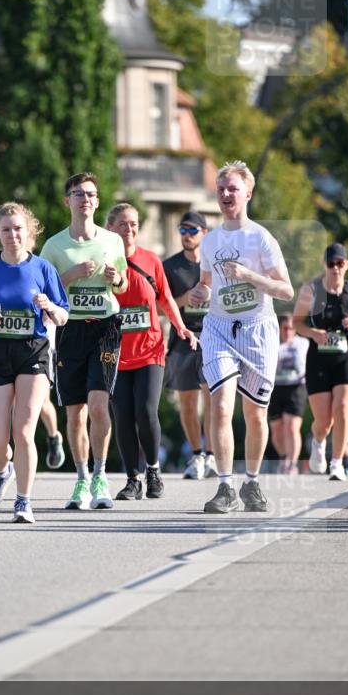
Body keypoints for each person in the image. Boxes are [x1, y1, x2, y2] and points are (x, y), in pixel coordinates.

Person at [187, 161, 293, 514]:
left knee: (255, 414)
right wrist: (200, 293)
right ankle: (225, 487)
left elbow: (286, 290)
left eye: (233, 188)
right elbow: (205, 283)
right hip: (218, 328)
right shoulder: (212, 239)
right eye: (221, 189)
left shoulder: (261, 238)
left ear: (248, 193)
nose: (226, 194)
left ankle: (251, 481)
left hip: (257, 331)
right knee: (219, 404)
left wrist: (250, 276)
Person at [0, 203, 68, 524]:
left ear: (29, 232)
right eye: (6, 229)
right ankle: (2, 470)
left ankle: (23, 501)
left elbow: (64, 315)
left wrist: (50, 306)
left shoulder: (43, 269)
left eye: (18, 229)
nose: (13, 235)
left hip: (34, 350)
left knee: (23, 430)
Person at [40, 172, 128, 510]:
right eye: (78, 193)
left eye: (91, 193)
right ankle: (80, 480)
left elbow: (121, 285)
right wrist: (71, 276)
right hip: (69, 329)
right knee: (75, 412)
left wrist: (116, 277)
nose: (85, 199)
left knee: (98, 405)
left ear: (97, 201)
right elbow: (45, 292)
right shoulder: (55, 245)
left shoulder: (111, 240)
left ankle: (101, 475)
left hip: (105, 326)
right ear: (68, 201)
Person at [106, 203, 197, 499]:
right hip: (117, 352)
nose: (129, 229)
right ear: (110, 228)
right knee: (122, 414)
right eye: (122, 224)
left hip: (149, 349)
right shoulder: (103, 263)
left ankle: (153, 471)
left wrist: (181, 327)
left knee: (145, 411)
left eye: (133, 224)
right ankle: (132, 478)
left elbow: (166, 298)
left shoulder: (150, 260)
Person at [293, 242, 348, 481]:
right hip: (318, 359)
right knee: (324, 421)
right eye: (330, 264)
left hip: (346, 355)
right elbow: (297, 323)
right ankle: (318, 440)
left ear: (347, 265)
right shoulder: (311, 291)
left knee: (343, 409)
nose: (335, 268)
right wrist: (314, 333)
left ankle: (337, 463)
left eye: (340, 264)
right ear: (324, 265)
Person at [163, 211, 217, 480]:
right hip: (183, 339)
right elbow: (162, 305)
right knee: (187, 402)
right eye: (182, 230)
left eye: (192, 231)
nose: (187, 235)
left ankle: (212, 454)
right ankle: (196, 455)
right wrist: (184, 299)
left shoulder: (215, 265)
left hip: (213, 337)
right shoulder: (170, 266)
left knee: (213, 399)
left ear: (204, 234)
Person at [268, 315, 309, 474]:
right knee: (277, 429)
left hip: (296, 387)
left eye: (292, 328)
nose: (288, 331)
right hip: (275, 388)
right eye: (285, 328)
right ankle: (283, 457)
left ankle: (292, 463)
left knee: (292, 427)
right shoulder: (271, 342)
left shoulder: (303, 343)